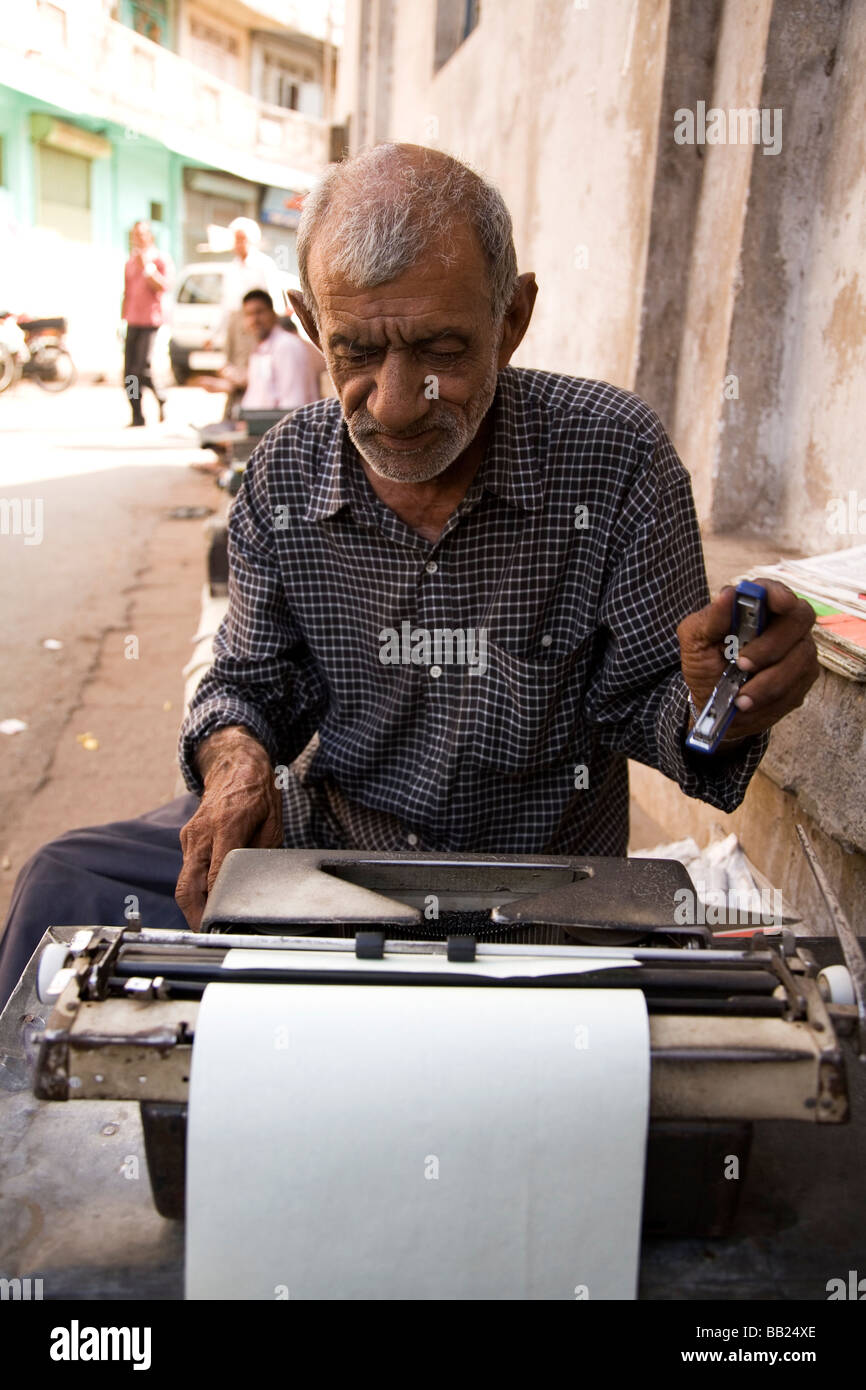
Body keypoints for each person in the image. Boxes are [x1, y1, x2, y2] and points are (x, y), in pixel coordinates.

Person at [0, 144, 818, 999]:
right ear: (310, 324)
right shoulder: (283, 475)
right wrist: (238, 769)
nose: (394, 404)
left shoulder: (613, 459)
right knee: (62, 884)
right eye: (354, 351)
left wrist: (723, 696)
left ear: (513, 319)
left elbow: (664, 722)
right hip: (324, 860)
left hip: (533, 900)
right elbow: (248, 683)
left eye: (441, 350)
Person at [210, 218, 285, 415]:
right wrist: (215, 334)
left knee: (252, 372)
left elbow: (272, 299)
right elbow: (225, 305)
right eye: (236, 239)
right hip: (235, 326)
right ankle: (233, 413)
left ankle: (248, 414)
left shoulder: (263, 265)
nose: (239, 244)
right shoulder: (231, 268)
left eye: (242, 239)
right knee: (231, 370)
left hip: (255, 325)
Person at [122, 221, 170, 426]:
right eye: (135, 235)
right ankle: (137, 413)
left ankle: (160, 395)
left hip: (150, 321)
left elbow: (164, 286)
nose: (138, 238)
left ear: (150, 236)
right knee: (129, 374)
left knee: (141, 369)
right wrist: (122, 318)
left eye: (142, 235)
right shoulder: (130, 261)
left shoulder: (159, 259)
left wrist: (148, 268)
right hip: (132, 320)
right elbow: (127, 292)